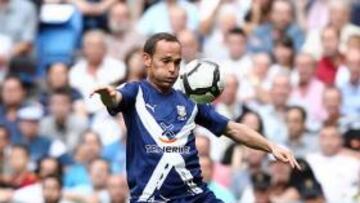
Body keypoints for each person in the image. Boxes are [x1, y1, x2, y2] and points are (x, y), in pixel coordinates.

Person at [91, 33, 300, 202]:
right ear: (147, 59)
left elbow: (232, 128)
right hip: (151, 198)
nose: (172, 68)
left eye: (177, 62)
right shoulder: (135, 92)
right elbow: (116, 99)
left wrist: (271, 146)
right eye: (165, 61)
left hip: (195, 196)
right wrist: (108, 96)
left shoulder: (190, 100)